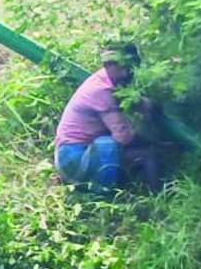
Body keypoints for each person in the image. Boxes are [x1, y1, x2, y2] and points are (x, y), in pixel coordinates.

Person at [53, 41, 162, 192]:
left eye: (129, 68)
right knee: (148, 155)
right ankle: (156, 198)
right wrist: (154, 142)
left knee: (136, 151)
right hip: (73, 159)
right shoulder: (101, 90)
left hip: (74, 153)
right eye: (121, 68)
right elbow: (124, 137)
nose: (125, 73)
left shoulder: (108, 80)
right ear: (108, 65)